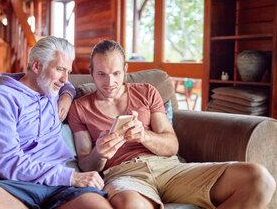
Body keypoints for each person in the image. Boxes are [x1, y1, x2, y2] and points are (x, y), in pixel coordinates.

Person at [68, 39, 276, 209]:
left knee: (259, 180)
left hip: (168, 168)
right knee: (132, 206)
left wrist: (143, 135)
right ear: (91, 72)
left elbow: (171, 146)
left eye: (116, 73)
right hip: (124, 174)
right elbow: (86, 163)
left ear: (125, 69)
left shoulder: (146, 92)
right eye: (101, 74)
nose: (109, 82)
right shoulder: (80, 107)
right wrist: (100, 152)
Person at [0, 36, 111, 209]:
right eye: (60, 69)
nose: (64, 79)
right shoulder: (2, 99)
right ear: (37, 65)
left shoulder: (53, 89)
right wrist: (71, 177)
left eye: (68, 71)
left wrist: (67, 96)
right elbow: (8, 161)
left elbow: (68, 85)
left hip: (64, 186)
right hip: (17, 184)